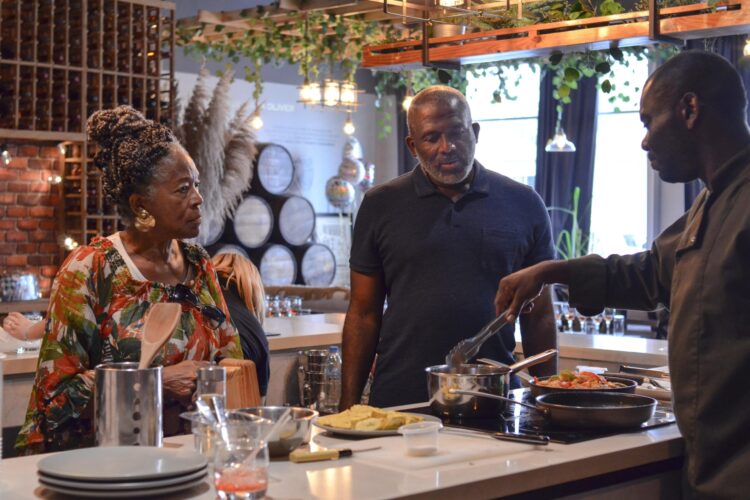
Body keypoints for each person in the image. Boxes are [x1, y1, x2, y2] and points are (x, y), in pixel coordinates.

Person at [494, 51, 750, 498]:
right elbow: (650, 272)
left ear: (690, 110)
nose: (645, 142)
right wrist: (554, 270)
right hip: (707, 468)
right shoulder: (710, 203)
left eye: (649, 122)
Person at [15, 106, 243, 455]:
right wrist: (159, 383)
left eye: (196, 185)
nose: (198, 199)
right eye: (183, 189)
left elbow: (232, 362)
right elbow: (57, 400)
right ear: (141, 206)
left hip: (190, 460)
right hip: (103, 469)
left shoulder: (198, 265)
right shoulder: (90, 269)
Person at [340, 85, 558, 409]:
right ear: (413, 146)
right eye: (431, 138)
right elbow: (363, 313)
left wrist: (548, 398)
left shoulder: (524, 203)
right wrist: (347, 406)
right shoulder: (380, 205)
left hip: (492, 399)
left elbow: (538, 315)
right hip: (401, 401)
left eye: (457, 132)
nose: (448, 147)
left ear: (476, 132)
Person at [212, 251, 270, 398]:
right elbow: (258, 403)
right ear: (253, 287)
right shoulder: (255, 332)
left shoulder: (192, 299)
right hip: (236, 411)